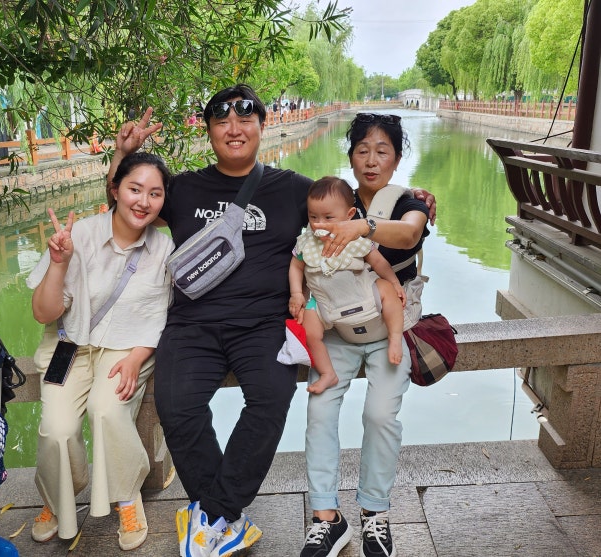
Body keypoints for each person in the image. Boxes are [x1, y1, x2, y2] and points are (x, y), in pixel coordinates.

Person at [109, 93, 436, 557]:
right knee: (176, 404)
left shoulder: (293, 188)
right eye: (222, 121)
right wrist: (122, 157)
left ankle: (211, 515)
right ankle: (224, 517)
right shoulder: (182, 188)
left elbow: (347, 203)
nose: (234, 129)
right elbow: (128, 207)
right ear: (209, 131)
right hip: (191, 324)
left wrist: (412, 199)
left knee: (270, 398)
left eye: (246, 119)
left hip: (264, 325)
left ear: (263, 126)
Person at [25, 152, 174, 551]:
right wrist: (59, 263)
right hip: (69, 346)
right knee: (57, 428)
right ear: (115, 189)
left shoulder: (162, 249)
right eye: (135, 189)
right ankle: (57, 497)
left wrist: (137, 358)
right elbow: (43, 313)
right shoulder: (80, 235)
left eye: (155, 193)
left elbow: (159, 317)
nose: (143, 201)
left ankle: (126, 496)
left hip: (126, 347)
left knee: (107, 409)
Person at [299, 113, 430, 557]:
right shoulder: (334, 198)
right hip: (337, 329)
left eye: (382, 151)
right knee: (319, 411)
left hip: (389, 329)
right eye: (362, 151)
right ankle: (326, 517)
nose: (371, 161)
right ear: (351, 156)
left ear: (397, 158)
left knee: (379, 415)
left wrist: (363, 227)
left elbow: (409, 233)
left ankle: (375, 511)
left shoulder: (409, 202)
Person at [287, 176, 406, 395]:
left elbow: (379, 262)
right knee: (309, 331)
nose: (319, 224)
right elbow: (296, 266)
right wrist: (297, 293)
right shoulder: (306, 242)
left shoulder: (355, 238)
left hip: (363, 292)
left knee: (388, 292)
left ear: (349, 215)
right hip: (324, 303)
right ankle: (327, 373)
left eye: (328, 217)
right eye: (313, 217)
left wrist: (394, 282)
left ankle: (396, 338)